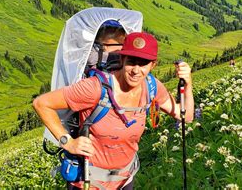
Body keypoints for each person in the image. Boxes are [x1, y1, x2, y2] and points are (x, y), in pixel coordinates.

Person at [33, 32, 194, 189]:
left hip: (125, 180)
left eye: (144, 63)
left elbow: (186, 116)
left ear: (153, 65)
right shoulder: (95, 88)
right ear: (122, 59)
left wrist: (188, 84)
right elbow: (41, 103)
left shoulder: (152, 87)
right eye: (131, 61)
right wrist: (68, 143)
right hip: (89, 181)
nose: (136, 70)